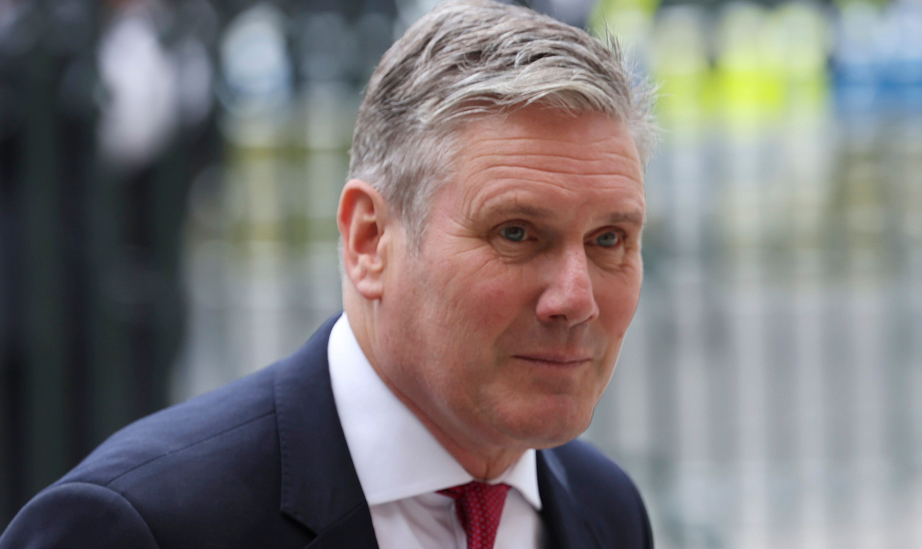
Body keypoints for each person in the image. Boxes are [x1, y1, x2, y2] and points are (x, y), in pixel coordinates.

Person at [0, 1, 655, 547]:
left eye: (609, 240)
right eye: (516, 233)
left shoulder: (606, 511)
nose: (575, 298)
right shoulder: (138, 524)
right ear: (369, 239)